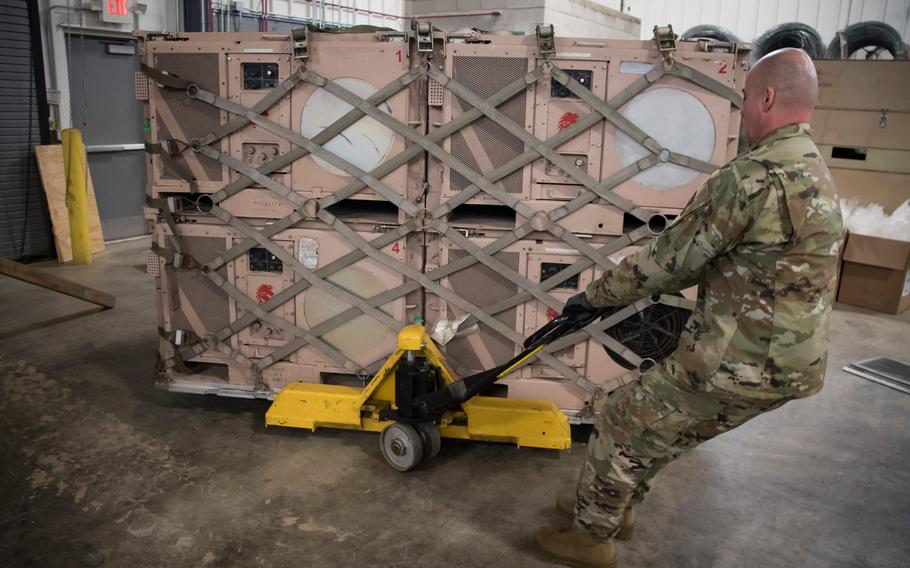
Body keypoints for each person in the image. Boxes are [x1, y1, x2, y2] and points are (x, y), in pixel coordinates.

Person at [534, 48, 844, 568]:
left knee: (621, 416)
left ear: (766, 97)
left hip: (736, 362)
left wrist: (594, 298)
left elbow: (668, 260)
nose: (744, 111)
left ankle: (592, 537)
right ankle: (612, 504)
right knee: (663, 427)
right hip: (796, 365)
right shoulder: (816, 173)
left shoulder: (750, 178)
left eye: (746, 98)